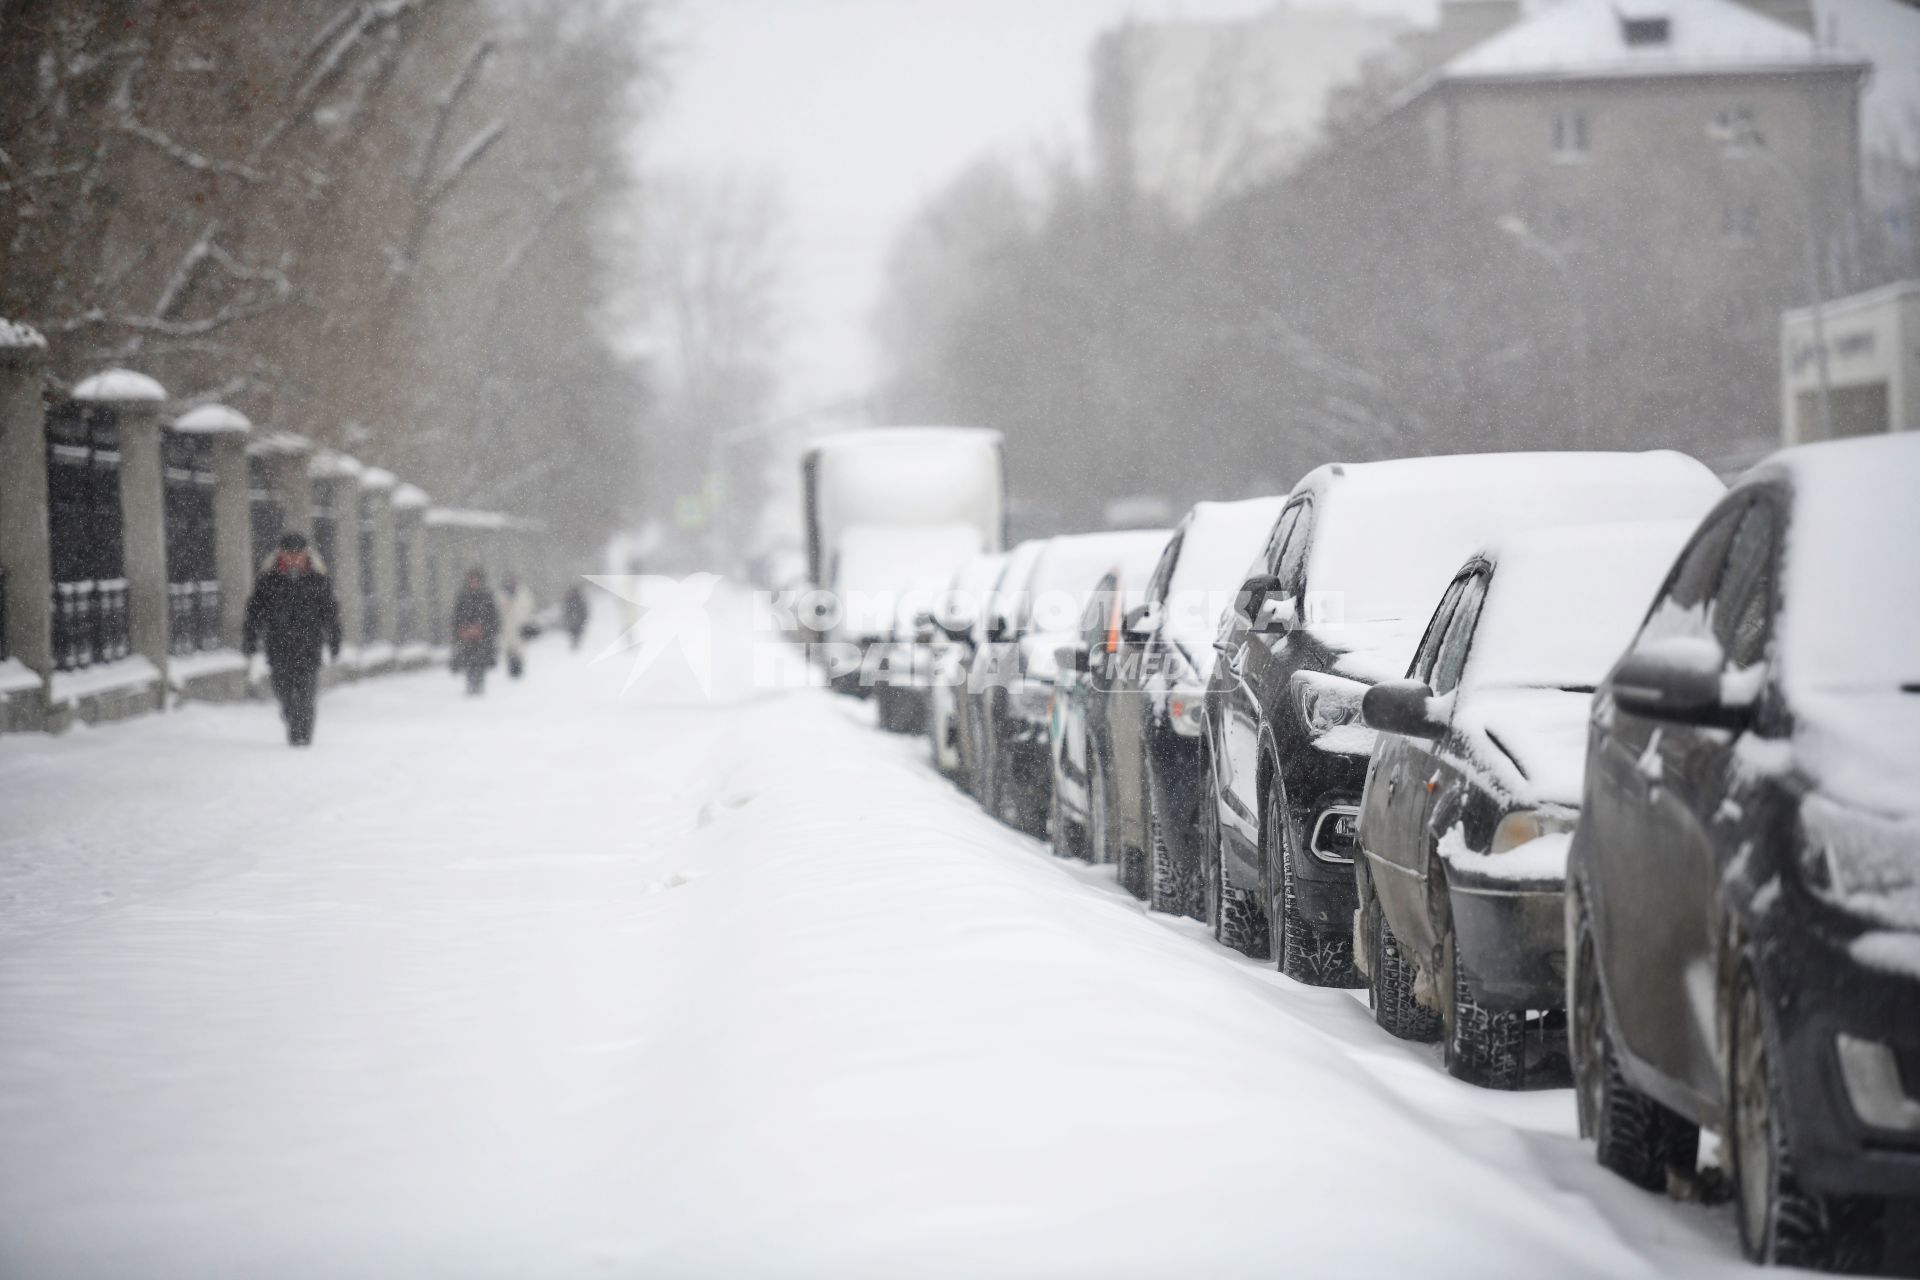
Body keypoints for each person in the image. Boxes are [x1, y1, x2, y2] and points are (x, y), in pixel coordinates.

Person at [242, 531, 341, 746]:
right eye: (289, 554)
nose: (294, 558)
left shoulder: (318, 579)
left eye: (298, 554)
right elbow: (255, 611)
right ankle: (290, 715)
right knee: (282, 688)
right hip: (278, 645)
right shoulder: (269, 579)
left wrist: (334, 640)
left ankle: (303, 733)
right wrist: (250, 638)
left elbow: (330, 612)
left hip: (309, 645)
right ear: (281, 554)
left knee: (306, 691)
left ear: (306, 555)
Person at [451, 568, 500, 695]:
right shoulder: (463, 597)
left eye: (476, 581)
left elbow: (493, 617)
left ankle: (479, 684)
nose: (474, 583)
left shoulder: (487, 597)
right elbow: (456, 617)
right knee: (469, 661)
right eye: (472, 581)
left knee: (480, 661)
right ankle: (471, 684)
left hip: (482, 637)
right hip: (467, 637)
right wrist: (463, 629)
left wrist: (483, 628)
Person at [497, 576, 536, 678]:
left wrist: (529, 623)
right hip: (507, 629)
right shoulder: (500, 596)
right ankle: (512, 671)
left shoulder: (524, 594)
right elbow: (497, 614)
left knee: (520, 650)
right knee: (509, 650)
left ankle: (519, 670)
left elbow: (530, 609)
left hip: (521, 627)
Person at [562, 585, 589, 650]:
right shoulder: (575, 600)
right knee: (575, 634)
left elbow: (583, 612)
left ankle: (575, 645)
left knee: (575, 634)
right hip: (575, 622)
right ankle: (575, 645)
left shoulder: (573, 600)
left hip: (575, 622)